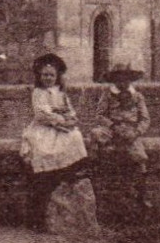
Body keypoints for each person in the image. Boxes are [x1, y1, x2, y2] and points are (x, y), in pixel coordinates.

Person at [20, 52, 90, 229]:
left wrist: (70, 119)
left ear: (57, 76)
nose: (48, 78)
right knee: (43, 149)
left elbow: (70, 110)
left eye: (52, 75)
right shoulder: (38, 93)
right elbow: (41, 114)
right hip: (45, 128)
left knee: (75, 136)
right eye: (45, 75)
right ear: (39, 76)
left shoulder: (61, 93)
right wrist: (59, 120)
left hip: (61, 127)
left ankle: (68, 171)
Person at [93, 63, 151, 220]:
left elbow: (145, 119)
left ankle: (141, 196)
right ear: (114, 80)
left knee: (138, 157)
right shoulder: (107, 94)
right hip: (113, 129)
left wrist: (137, 132)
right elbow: (99, 115)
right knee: (98, 141)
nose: (123, 82)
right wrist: (113, 125)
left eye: (127, 79)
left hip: (131, 131)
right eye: (119, 79)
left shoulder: (137, 97)